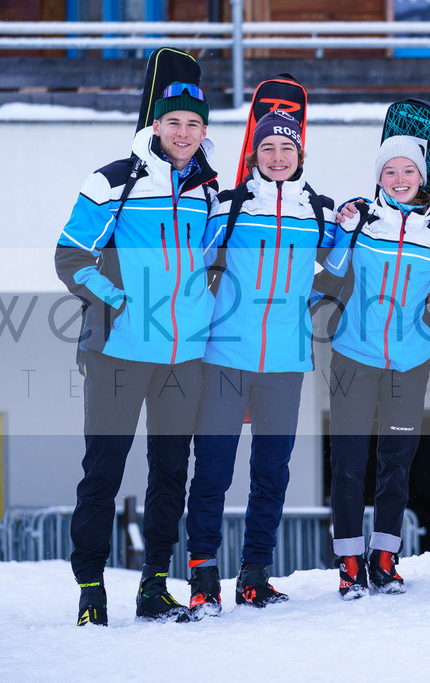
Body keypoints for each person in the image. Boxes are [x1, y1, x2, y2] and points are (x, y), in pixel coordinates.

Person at [54, 82, 219, 625]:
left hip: (182, 357)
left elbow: (220, 257)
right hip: (118, 352)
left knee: (171, 472)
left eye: (194, 125)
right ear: (155, 125)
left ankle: (153, 583)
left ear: (203, 131)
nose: (183, 134)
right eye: (174, 122)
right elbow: (71, 257)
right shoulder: (113, 180)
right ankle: (91, 589)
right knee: (103, 471)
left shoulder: (212, 191)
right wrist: (118, 301)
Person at [183, 110, 336, 617]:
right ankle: (203, 574)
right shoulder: (228, 206)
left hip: (285, 363)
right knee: (213, 469)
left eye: (286, 149)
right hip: (225, 355)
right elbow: (193, 266)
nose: (277, 157)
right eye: (268, 149)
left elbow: (341, 269)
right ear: (254, 156)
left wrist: (301, 304)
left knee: (272, 471)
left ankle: (254, 574)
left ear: (300, 156)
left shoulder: (318, 212)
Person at [321, 135, 430, 598]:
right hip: (353, 356)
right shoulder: (361, 217)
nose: (399, 180)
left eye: (408, 172)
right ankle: (348, 560)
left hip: (410, 359)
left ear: (423, 177)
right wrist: (345, 226)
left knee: (396, 462)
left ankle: (384, 558)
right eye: (390, 172)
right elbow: (334, 270)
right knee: (347, 461)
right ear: (379, 178)